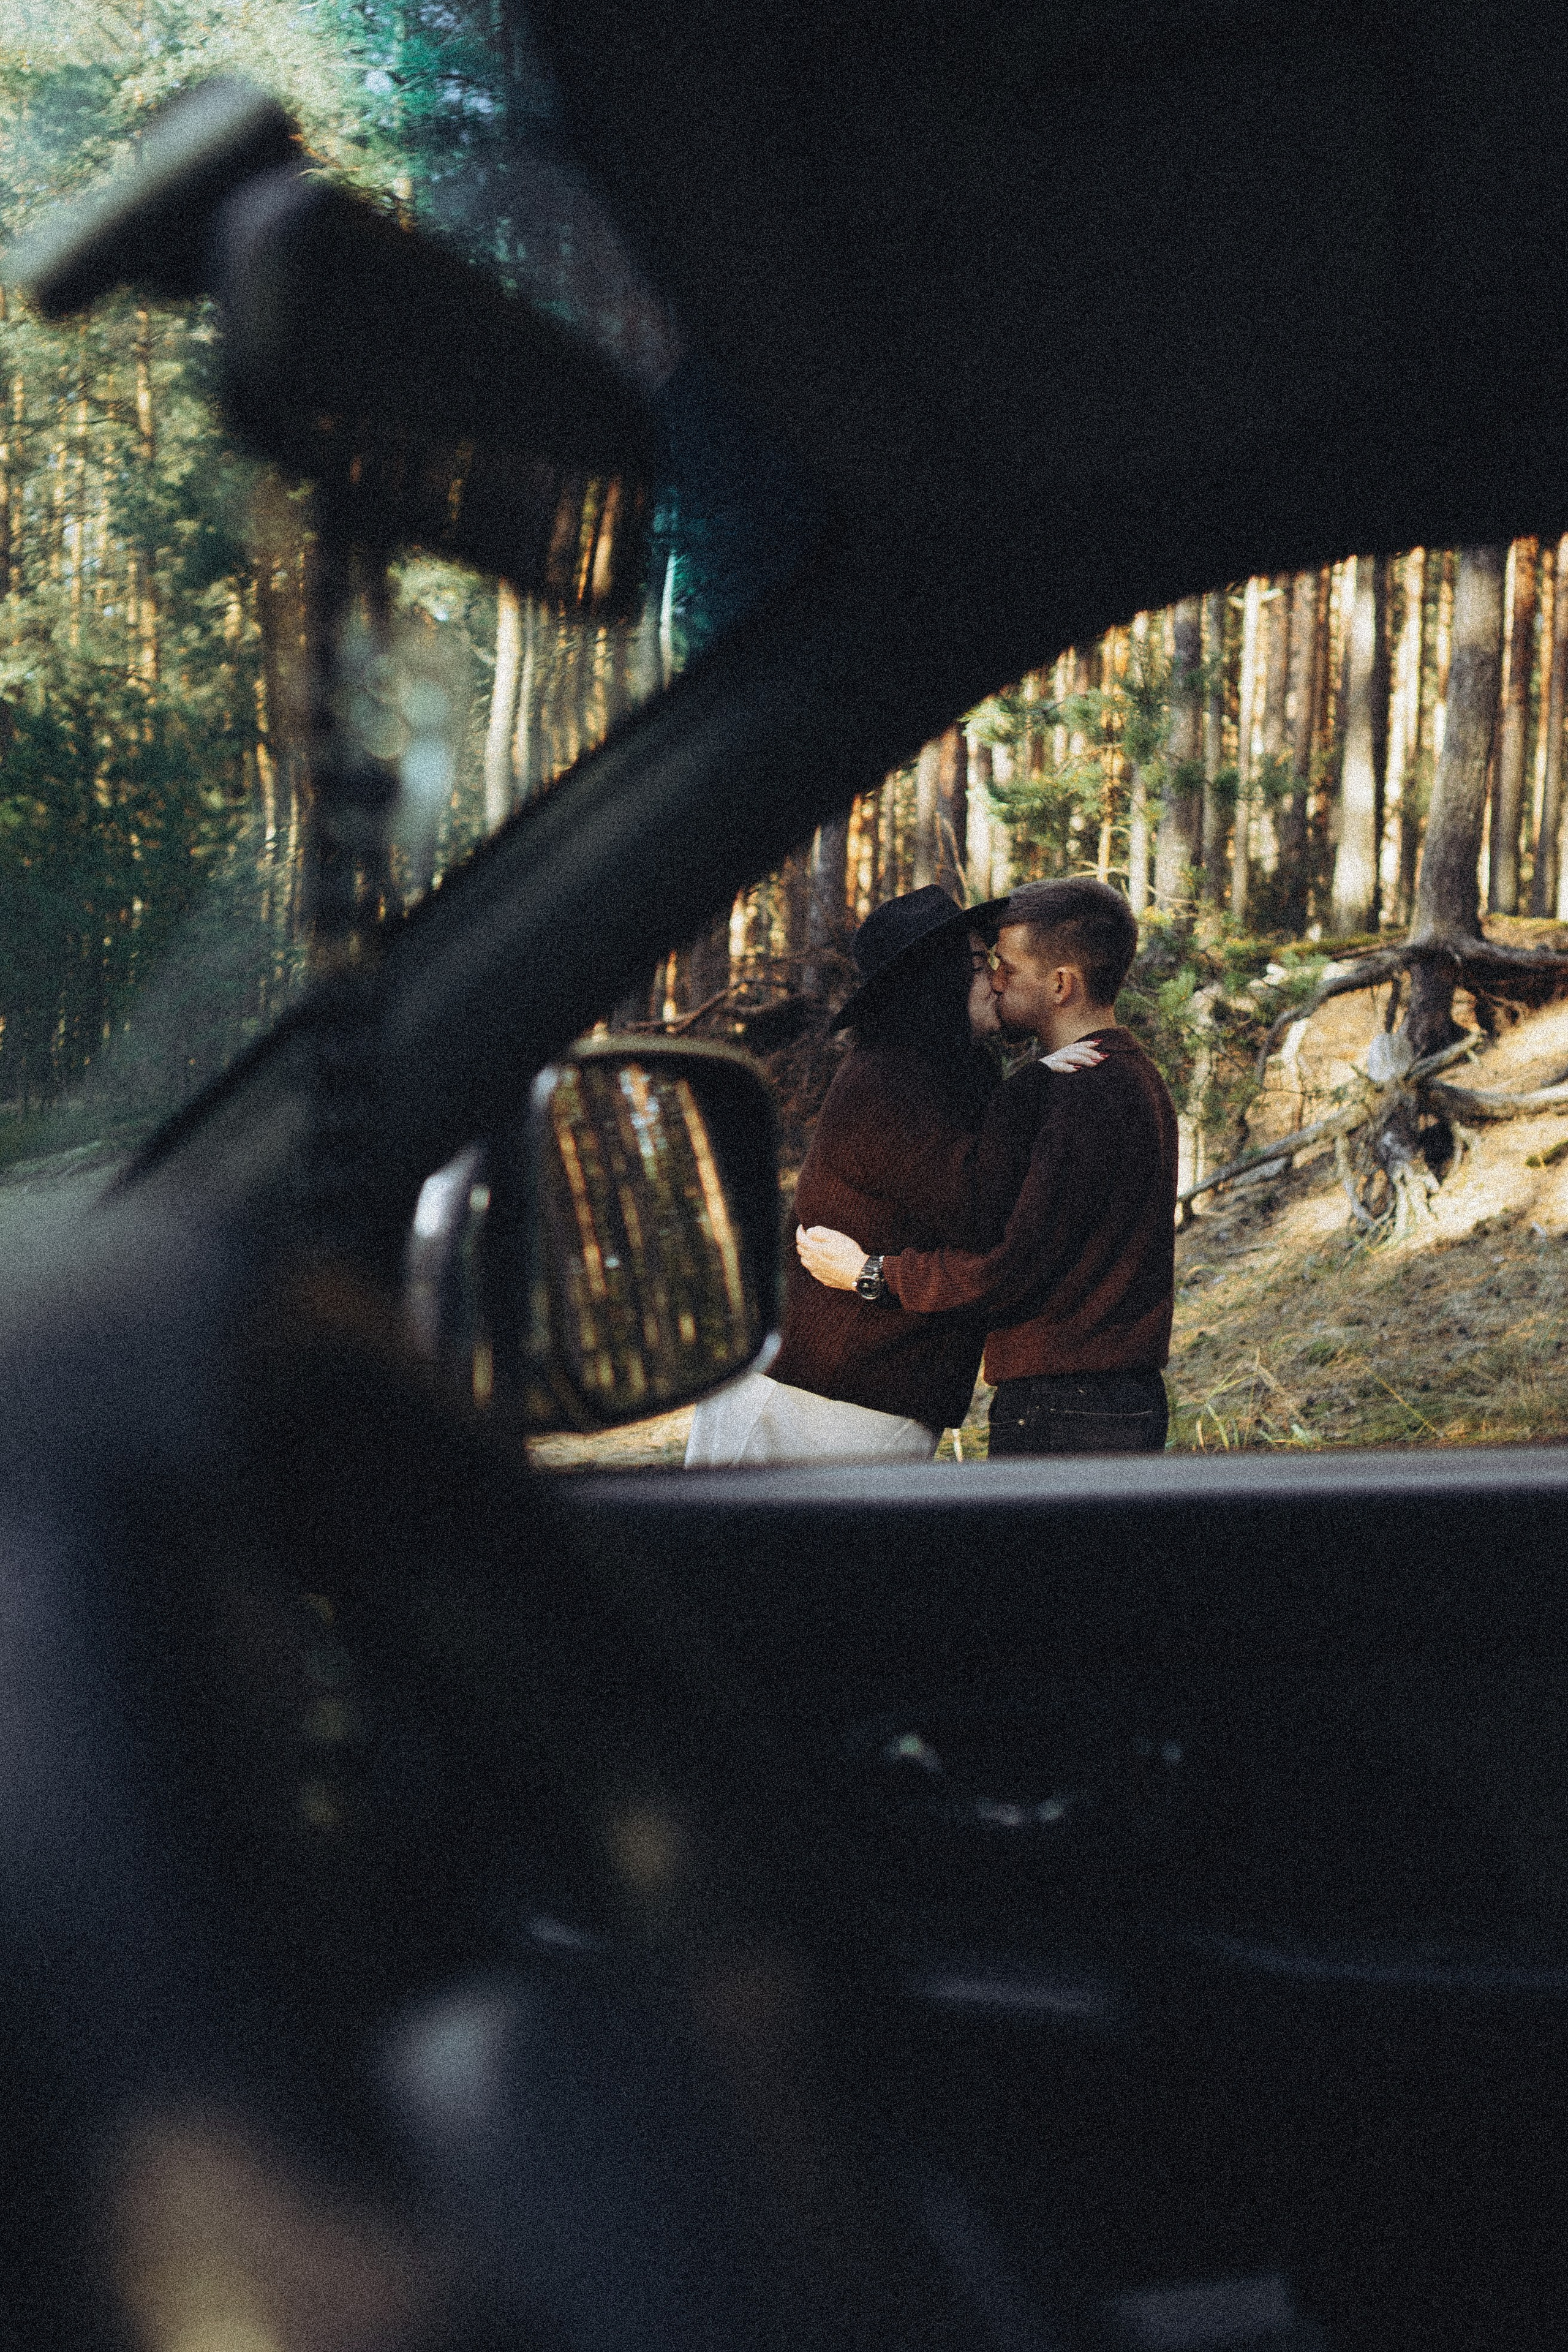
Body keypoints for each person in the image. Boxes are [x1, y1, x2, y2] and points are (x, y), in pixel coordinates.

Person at [796, 877, 1178, 1457]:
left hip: (1069, 1403)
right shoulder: (1125, 1074)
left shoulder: (1081, 1089)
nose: (996, 981)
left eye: (1006, 967)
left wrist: (870, 1273)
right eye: (985, 966)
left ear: (1060, 985)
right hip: (1094, 1398)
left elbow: (1010, 1270)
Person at [684, 884, 1047, 1466]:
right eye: (981, 964)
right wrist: (1041, 1085)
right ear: (940, 980)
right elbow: (982, 1211)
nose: (997, 981)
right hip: (811, 1396)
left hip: (863, 1388)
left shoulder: (945, 1076)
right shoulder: (887, 1081)